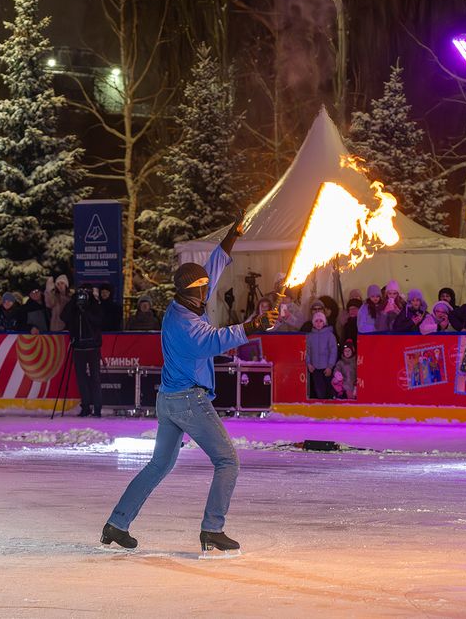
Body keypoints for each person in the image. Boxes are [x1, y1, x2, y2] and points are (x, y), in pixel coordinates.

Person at [102, 213, 276, 556]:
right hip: (187, 401)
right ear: (194, 292)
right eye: (203, 290)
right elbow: (215, 340)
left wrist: (231, 236)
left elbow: (213, 266)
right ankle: (213, 529)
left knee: (159, 465)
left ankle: (117, 523)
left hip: (168, 400)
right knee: (228, 461)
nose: (207, 293)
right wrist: (254, 326)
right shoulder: (185, 325)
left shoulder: (186, 299)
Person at [62, 284, 103, 417]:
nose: (83, 295)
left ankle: (97, 407)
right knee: (81, 378)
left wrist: (86, 311)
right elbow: (64, 317)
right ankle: (85, 406)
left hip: (92, 347)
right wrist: (73, 302)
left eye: (86, 292)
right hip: (78, 346)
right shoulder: (74, 306)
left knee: (95, 377)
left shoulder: (94, 304)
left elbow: (99, 320)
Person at [306, 311, 338, 398]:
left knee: (329, 390)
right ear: (313, 323)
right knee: (319, 391)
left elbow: (333, 351)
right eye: (316, 321)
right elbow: (307, 351)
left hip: (327, 368)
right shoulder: (309, 336)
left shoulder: (330, 335)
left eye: (321, 321)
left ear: (324, 322)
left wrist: (330, 366)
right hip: (315, 369)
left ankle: (330, 409)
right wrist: (309, 364)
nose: (318, 323)